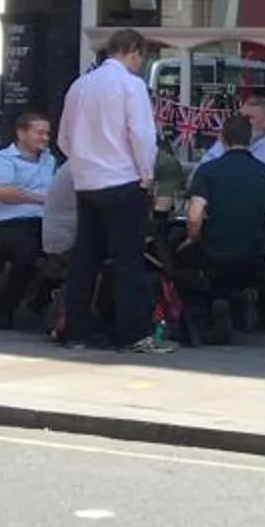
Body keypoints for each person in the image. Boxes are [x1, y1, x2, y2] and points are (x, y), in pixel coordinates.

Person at [56, 29, 170, 355]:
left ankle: (76, 332)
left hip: (86, 182)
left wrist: (82, 162)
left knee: (84, 260)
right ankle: (133, 334)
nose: (140, 64)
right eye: (140, 57)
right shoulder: (131, 86)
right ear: (132, 50)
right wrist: (146, 175)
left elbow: (64, 138)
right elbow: (142, 135)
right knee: (127, 261)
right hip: (122, 181)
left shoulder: (79, 86)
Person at [181, 113, 265, 333]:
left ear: (222, 138)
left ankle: (214, 305)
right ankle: (244, 295)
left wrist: (192, 237)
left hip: (216, 254)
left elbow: (195, 215)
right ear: (250, 140)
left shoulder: (207, 171)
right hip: (254, 254)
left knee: (179, 260)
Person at [0, 109, 58, 313]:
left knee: (74, 249)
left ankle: (41, 300)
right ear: (21, 133)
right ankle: (5, 311)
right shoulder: (2, 160)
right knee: (27, 252)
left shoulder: (49, 161)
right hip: (7, 223)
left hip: (43, 222)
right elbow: (4, 193)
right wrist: (41, 198)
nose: (45, 138)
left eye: (47, 133)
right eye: (39, 132)